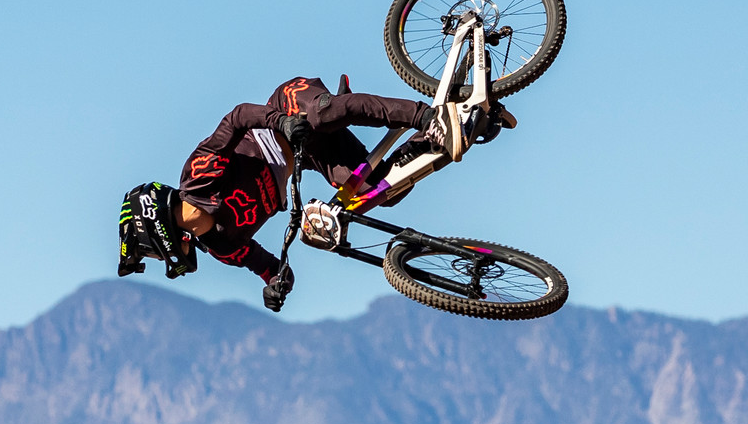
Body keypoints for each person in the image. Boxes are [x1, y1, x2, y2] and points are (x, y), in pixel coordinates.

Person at [115, 75, 505, 312]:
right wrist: (276, 285)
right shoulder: (224, 247)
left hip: (287, 109)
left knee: (324, 114)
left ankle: (428, 116)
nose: (161, 261)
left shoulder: (197, 178)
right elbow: (271, 268)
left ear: (154, 226)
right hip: (310, 153)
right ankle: (461, 121)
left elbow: (236, 117)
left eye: (148, 251)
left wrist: (281, 122)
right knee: (380, 193)